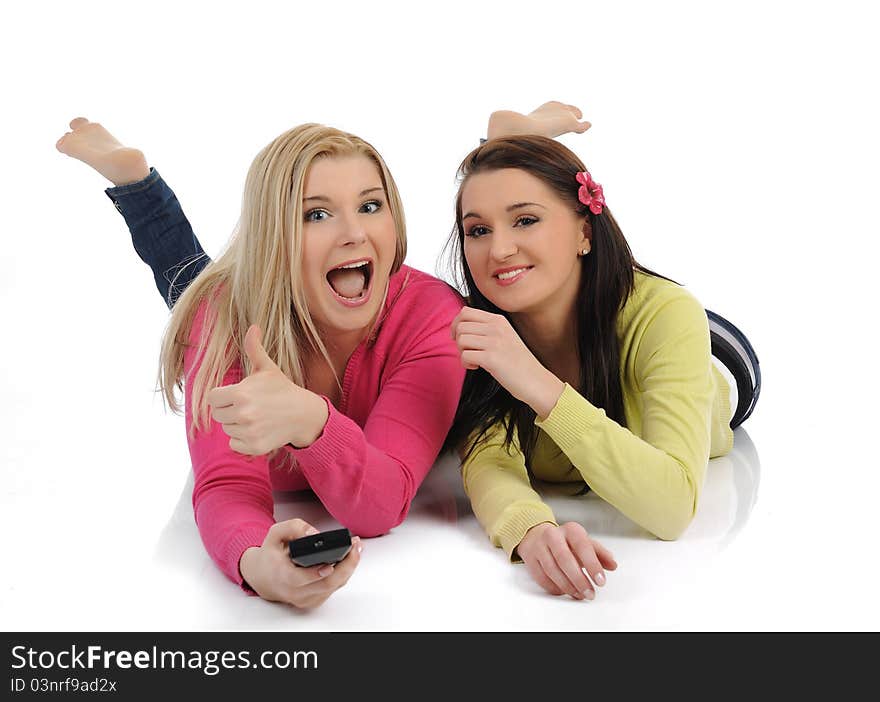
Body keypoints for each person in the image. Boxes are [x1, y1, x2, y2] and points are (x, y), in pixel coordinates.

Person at [56, 118, 470, 609]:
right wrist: (256, 562)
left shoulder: (433, 314)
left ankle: (138, 185)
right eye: (316, 215)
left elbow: (379, 506)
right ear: (272, 239)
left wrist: (310, 421)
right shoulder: (223, 317)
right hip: (245, 301)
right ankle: (139, 186)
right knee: (190, 290)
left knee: (191, 285)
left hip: (276, 298)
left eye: (370, 205)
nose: (355, 233)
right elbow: (227, 484)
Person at [444, 125, 761, 601]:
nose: (499, 249)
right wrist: (530, 531)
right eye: (478, 230)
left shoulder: (665, 315)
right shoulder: (477, 333)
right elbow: (488, 463)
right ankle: (514, 134)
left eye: (525, 220)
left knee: (680, 321)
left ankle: (515, 134)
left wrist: (533, 380)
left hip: (714, 353)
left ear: (584, 233)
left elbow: (672, 508)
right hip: (582, 308)